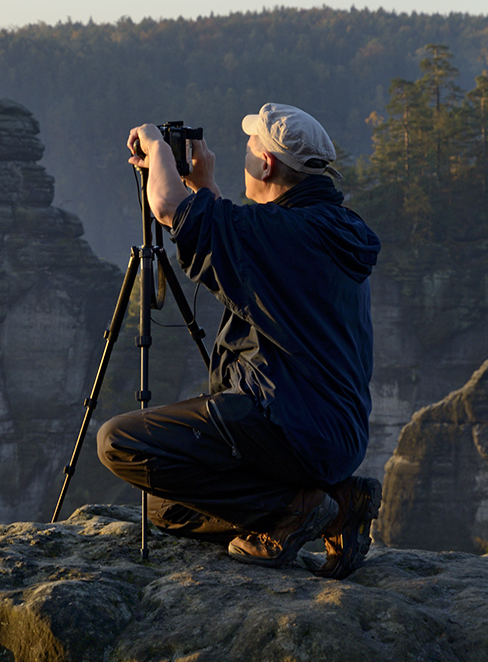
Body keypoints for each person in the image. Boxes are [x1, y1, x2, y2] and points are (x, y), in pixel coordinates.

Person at [97, 103, 382, 579]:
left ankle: (296, 509)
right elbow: (246, 245)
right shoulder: (333, 228)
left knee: (119, 442)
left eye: (251, 147)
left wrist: (156, 149)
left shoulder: (278, 233)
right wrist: (203, 190)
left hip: (288, 427)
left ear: (266, 164)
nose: (243, 154)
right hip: (336, 437)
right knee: (164, 508)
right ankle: (337, 504)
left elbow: (168, 208)